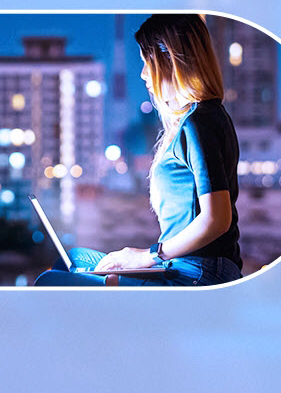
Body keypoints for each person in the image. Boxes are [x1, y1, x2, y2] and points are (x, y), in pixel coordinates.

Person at [35, 14, 243, 286]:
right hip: (185, 265)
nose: (143, 73)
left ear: (170, 62)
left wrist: (147, 257)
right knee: (72, 260)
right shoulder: (199, 119)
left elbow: (217, 219)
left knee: (51, 282)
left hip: (199, 272)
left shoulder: (199, 122)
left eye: (147, 63)